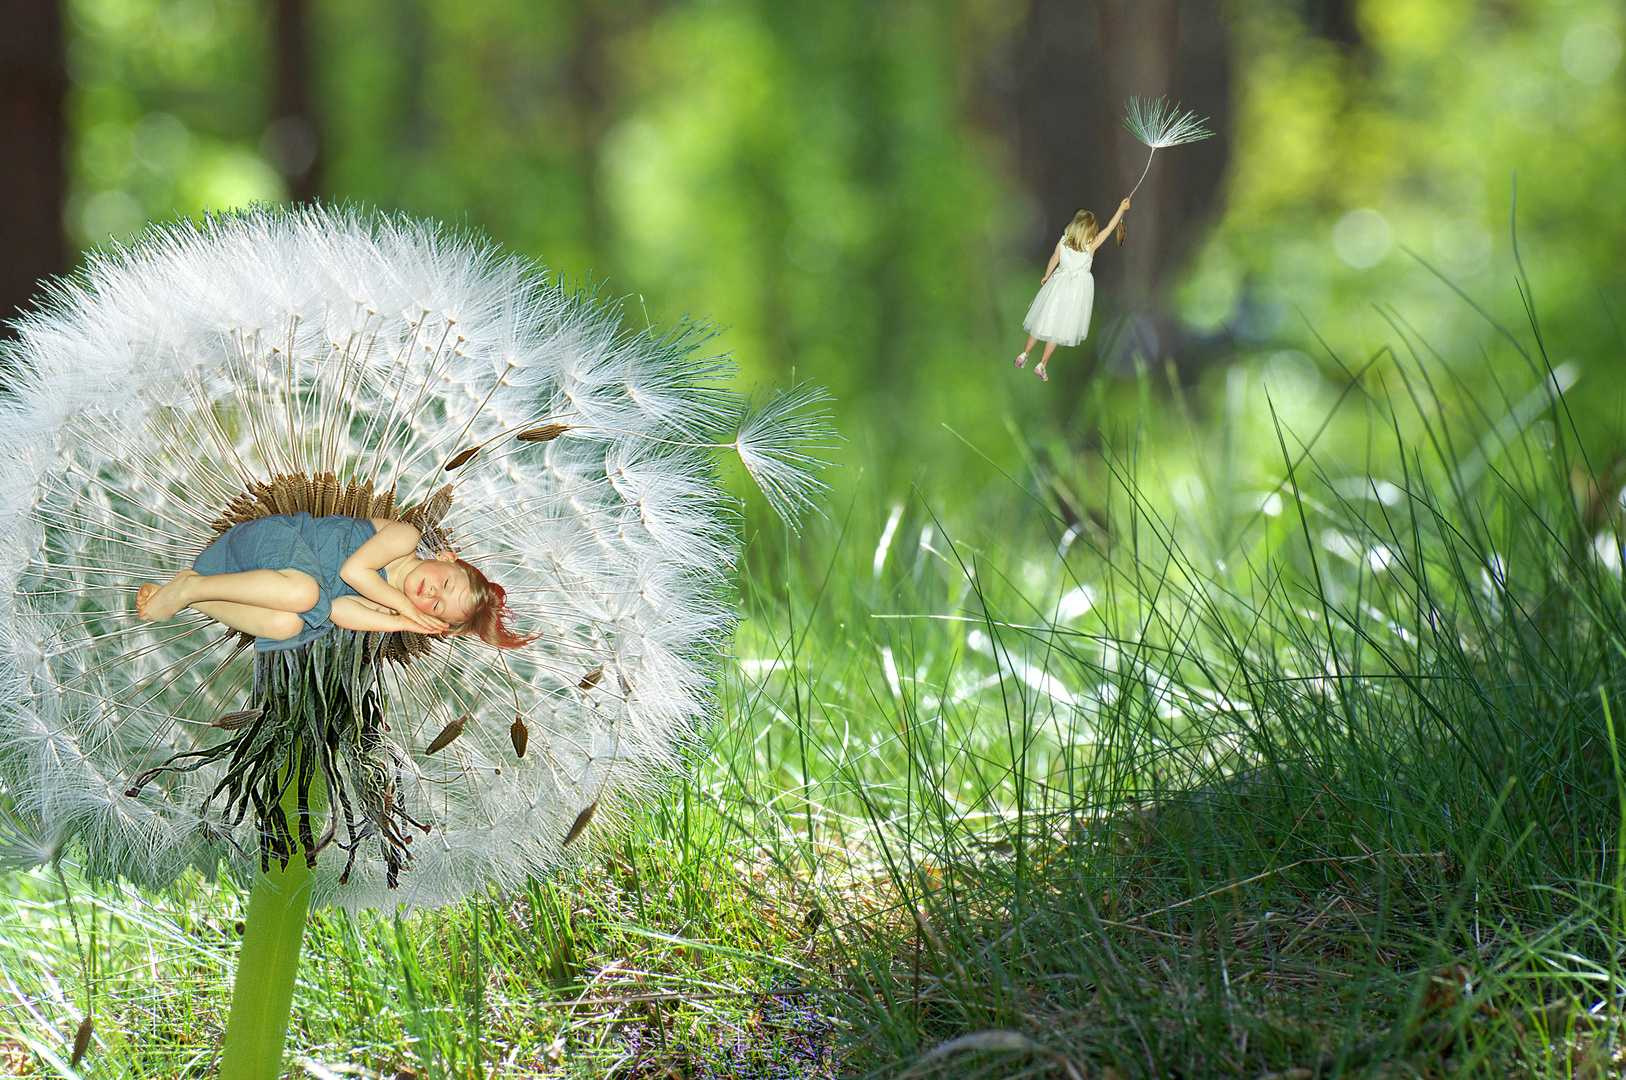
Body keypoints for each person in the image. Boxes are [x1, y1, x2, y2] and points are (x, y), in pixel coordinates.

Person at [135, 512, 533, 651]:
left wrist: (398, 621)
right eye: (445, 584)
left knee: (290, 625)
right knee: (305, 593)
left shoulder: (388, 605)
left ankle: (193, 592)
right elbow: (351, 574)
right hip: (271, 542)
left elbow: (340, 610)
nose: (431, 594)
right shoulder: (405, 538)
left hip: (254, 583)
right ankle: (190, 590)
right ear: (446, 558)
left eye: (438, 607)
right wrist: (405, 606)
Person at [1014, 197, 1131, 382]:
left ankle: (1024, 354)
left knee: (1042, 320)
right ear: (1091, 230)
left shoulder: (1063, 241)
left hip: (1057, 285)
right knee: (1058, 329)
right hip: (1075, 291)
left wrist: (1046, 275)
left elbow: (1054, 259)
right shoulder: (1090, 246)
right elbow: (1110, 228)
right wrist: (1121, 208)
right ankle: (1042, 364)